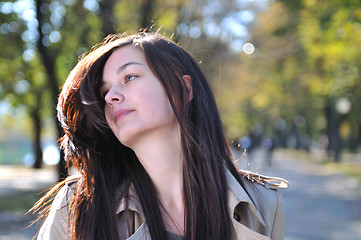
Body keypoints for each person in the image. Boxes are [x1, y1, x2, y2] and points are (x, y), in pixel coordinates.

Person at [32, 32, 288, 240]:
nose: (111, 97)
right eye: (105, 91)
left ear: (184, 89)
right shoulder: (78, 205)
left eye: (129, 77)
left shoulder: (262, 204)